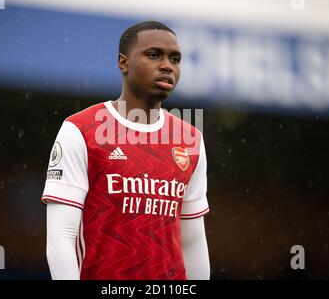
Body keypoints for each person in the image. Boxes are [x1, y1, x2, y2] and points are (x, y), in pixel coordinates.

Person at [42, 21, 210, 280]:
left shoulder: (190, 139)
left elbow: (193, 240)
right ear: (123, 63)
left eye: (175, 59)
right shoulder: (80, 130)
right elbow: (61, 235)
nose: (167, 66)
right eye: (154, 55)